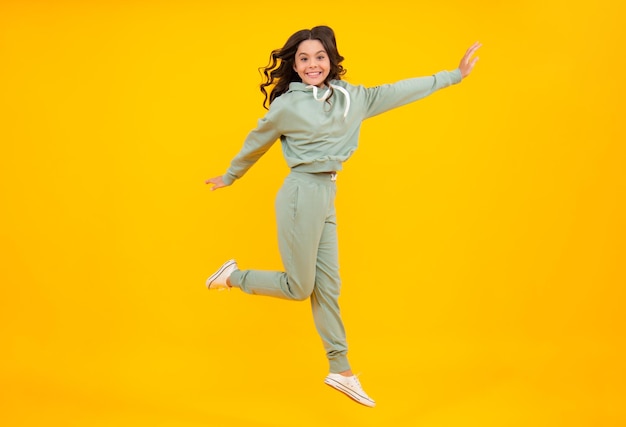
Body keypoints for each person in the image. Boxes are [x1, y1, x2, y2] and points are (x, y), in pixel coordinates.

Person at [205, 25, 481, 407]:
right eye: (304, 59)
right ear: (296, 67)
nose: (312, 64)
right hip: (301, 193)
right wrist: (232, 175)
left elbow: (401, 90)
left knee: (328, 289)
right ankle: (233, 277)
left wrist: (453, 76)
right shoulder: (288, 105)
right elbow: (258, 139)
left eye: (319, 57)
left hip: (327, 193)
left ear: (331, 60)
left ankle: (341, 369)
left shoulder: (355, 98)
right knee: (299, 287)